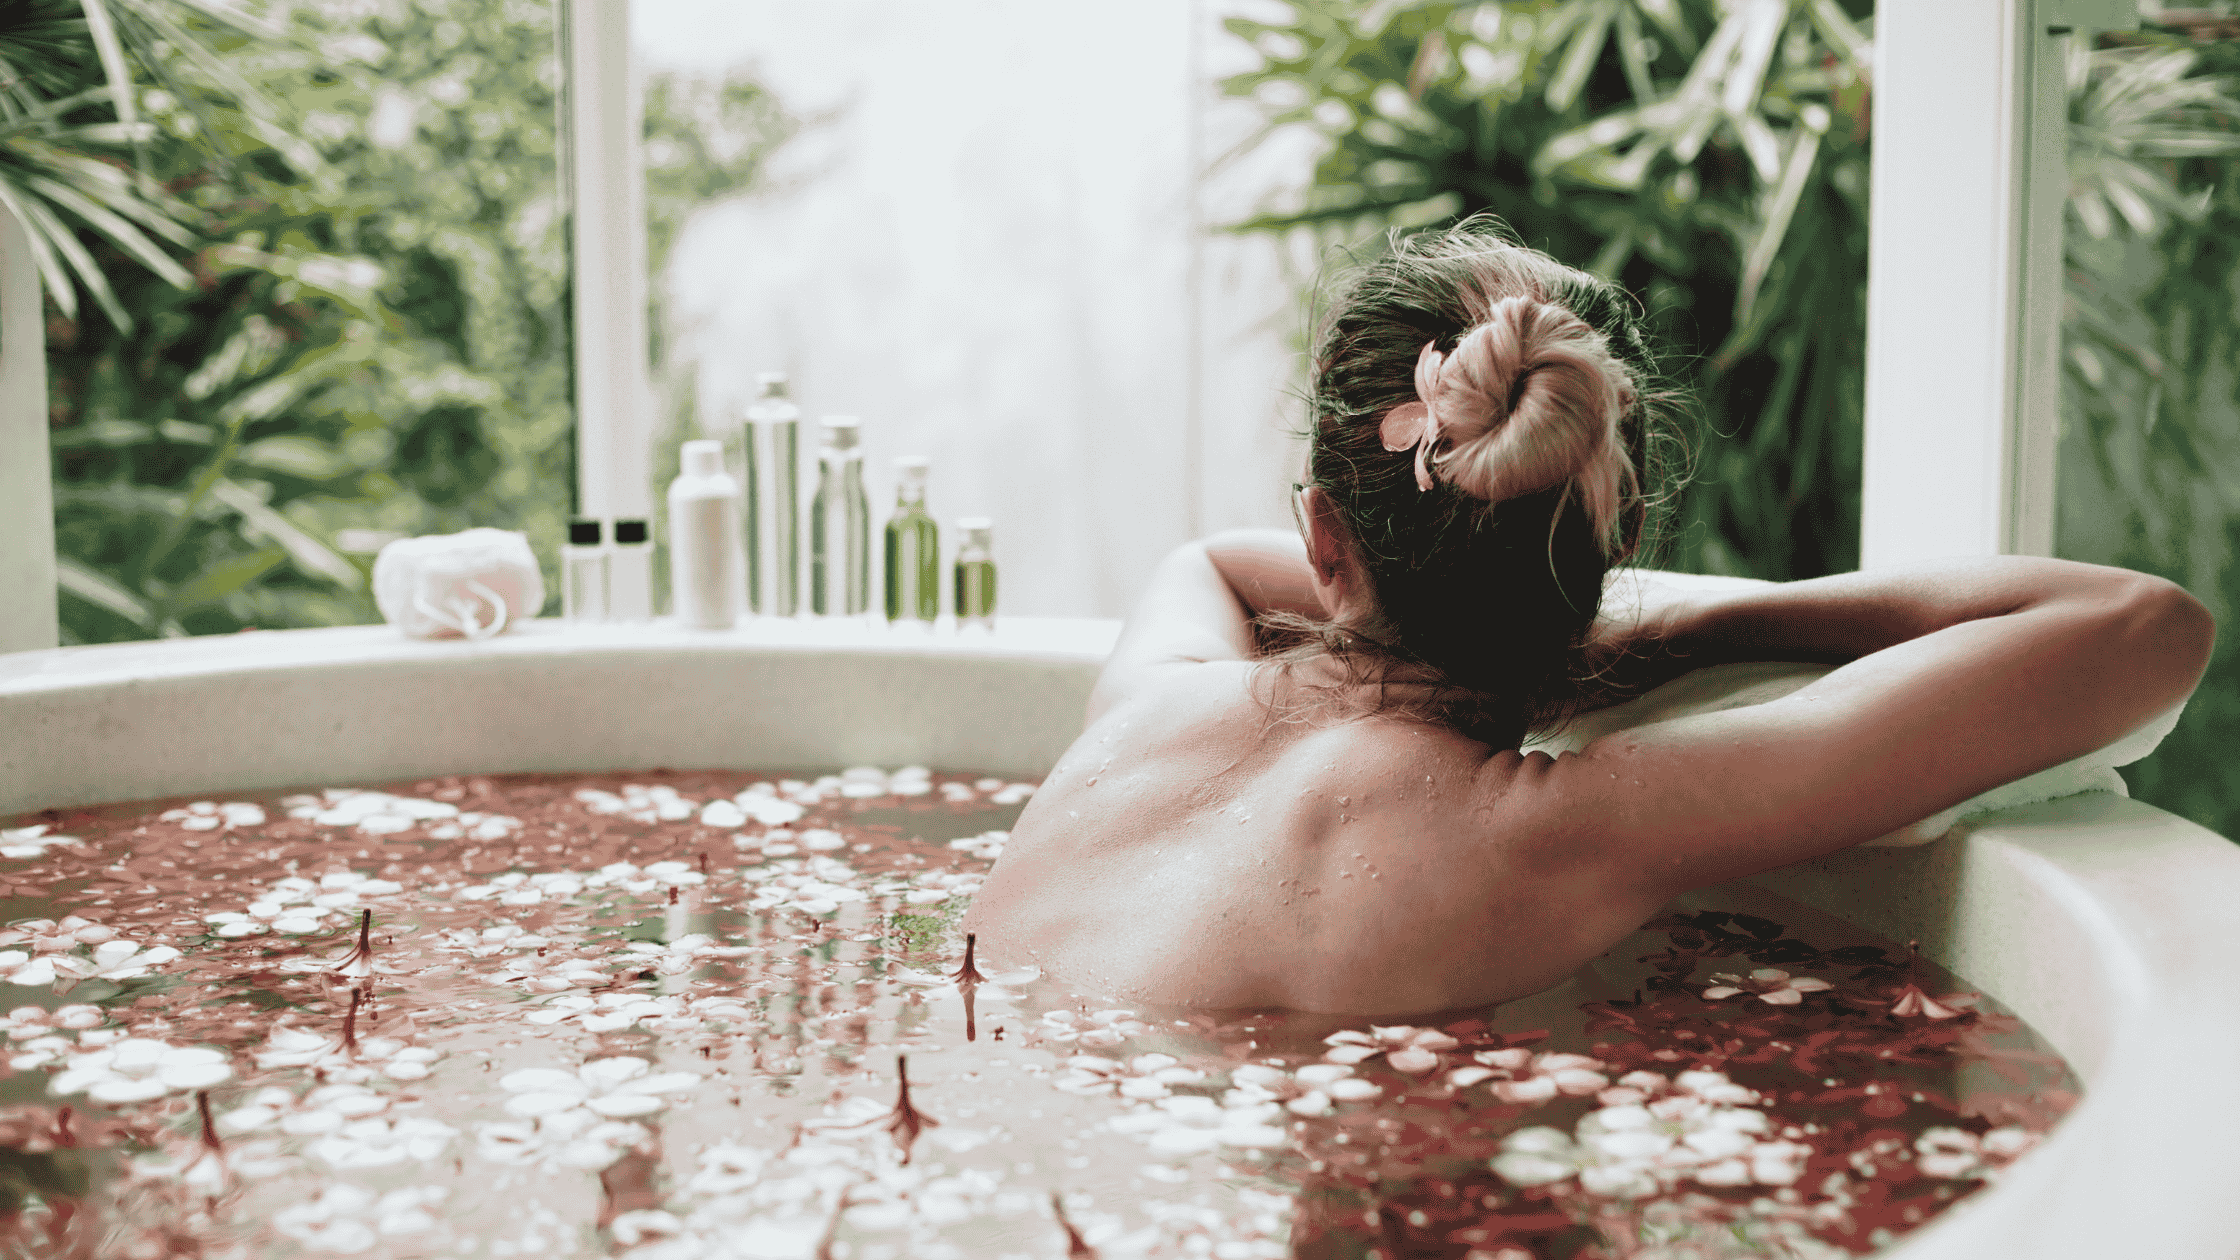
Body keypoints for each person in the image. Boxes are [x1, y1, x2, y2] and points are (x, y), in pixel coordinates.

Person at [962, 221, 2213, 1018]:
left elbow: (1216, 562)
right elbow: (2140, 624)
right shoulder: (1558, 829)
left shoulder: (1154, 697)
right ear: (1611, 549)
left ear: (1322, 539)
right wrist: (1663, 638)